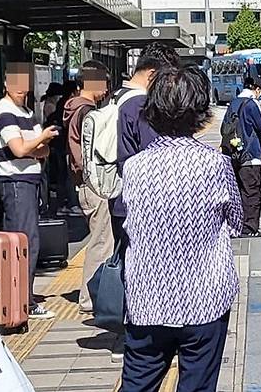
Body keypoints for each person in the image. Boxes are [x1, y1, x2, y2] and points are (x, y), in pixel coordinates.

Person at [120, 64, 242, 392]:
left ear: (152, 112)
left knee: (137, 385)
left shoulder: (134, 168)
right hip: (205, 299)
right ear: (201, 112)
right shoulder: (216, 164)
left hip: (147, 301)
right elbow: (238, 219)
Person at [110, 42, 178, 361]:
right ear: (152, 75)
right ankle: (145, 336)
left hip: (123, 200)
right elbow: (157, 157)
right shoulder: (139, 105)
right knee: (148, 271)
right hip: (145, 204)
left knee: (132, 267)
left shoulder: (117, 99)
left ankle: (135, 333)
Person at [0, 62, 59, 319]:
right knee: (25, 242)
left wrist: (37, 145)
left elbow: (43, 151)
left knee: (27, 242)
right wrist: (39, 140)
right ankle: (23, 302)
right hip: (16, 183)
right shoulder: (5, 111)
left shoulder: (26, 111)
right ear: (6, 84)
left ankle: (22, 299)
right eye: (17, 85)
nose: (22, 90)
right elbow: (21, 149)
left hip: (28, 182)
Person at [63, 61, 113, 314]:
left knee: (100, 239)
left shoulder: (73, 108)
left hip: (82, 184)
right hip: (93, 183)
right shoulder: (87, 113)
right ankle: (91, 297)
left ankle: (93, 294)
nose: (106, 89)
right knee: (101, 241)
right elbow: (89, 153)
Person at [222, 77, 261, 238]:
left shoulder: (233, 103)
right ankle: (250, 229)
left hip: (233, 155)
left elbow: (224, 128)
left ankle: (236, 226)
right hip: (250, 156)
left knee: (237, 192)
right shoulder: (251, 104)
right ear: (257, 89)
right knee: (252, 193)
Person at [47, 80, 83, 217]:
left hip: (58, 144)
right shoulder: (70, 105)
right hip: (64, 145)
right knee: (68, 175)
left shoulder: (62, 104)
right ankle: (71, 204)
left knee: (63, 175)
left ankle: (62, 204)